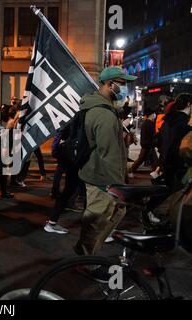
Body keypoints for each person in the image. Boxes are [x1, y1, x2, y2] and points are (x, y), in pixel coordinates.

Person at [74, 66, 137, 256]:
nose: (125, 88)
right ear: (110, 84)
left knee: (105, 217)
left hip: (96, 174)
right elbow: (108, 154)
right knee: (97, 221)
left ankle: (84, 253)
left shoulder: (100, 108)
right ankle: (86, 262)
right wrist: (118, 187)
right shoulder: (104, 114)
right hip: (102, 179)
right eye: (122, 84)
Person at [128, 108, 158, 178]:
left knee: (152, 159)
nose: (154, 115)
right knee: (144, 159)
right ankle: (131, 170)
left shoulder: (147, 123)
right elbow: (151, 134)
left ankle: (156, 172)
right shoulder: (149, 123)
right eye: (153, 114)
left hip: (146, 144)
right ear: (151, 115)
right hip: (148, 144)